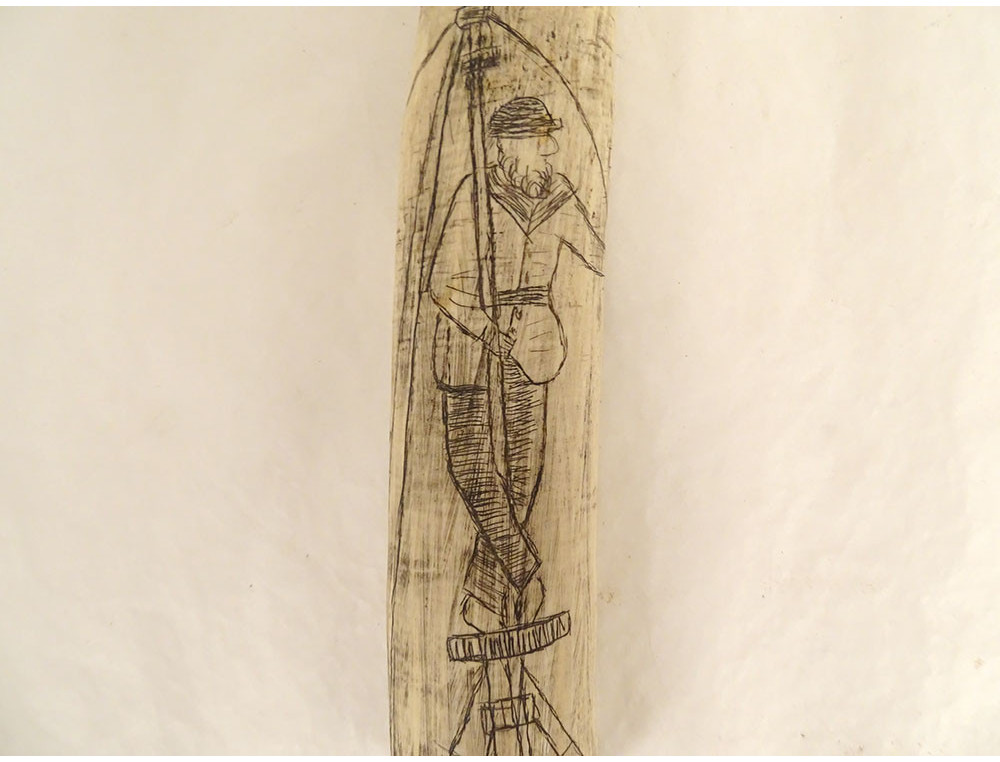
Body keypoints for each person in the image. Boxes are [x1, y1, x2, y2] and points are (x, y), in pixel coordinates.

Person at [428, 96, 604, 634]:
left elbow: (602, 253)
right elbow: (442, 283)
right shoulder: (475, 195)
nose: (549, 152)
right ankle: (525, 573)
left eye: (550, 140)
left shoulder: (558, 197)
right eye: (539, 141)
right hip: (468, 347)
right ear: (508, 146)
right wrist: (485, 327)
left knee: (521, 481)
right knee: (472, 468)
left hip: (530, 349)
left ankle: (483, 603)